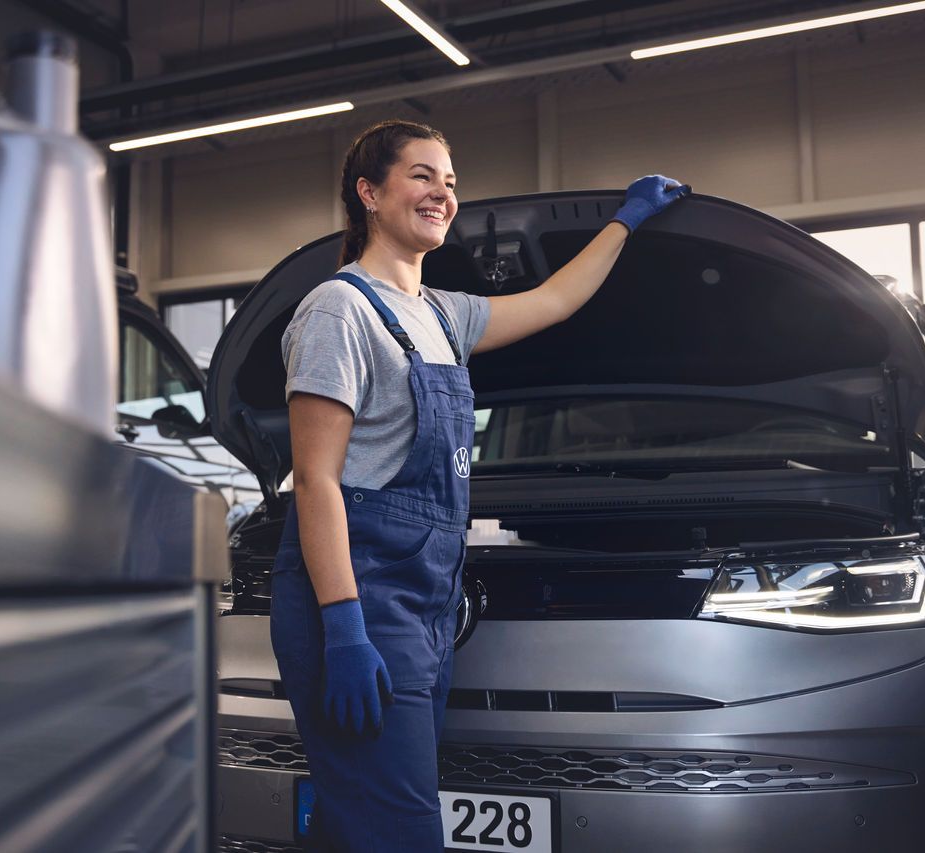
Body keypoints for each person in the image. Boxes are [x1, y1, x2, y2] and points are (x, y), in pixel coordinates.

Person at [271, 118, 687, 850]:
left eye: (451, 180)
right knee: (400, 831)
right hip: (361, 604)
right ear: (369, 192)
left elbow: (556, 299)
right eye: (422, 175)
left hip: (426, 606)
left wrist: (626, 222)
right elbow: (315, 480)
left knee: (356, 825)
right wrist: (344, 627)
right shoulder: (339, 310)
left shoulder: (441, 314)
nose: (443, 192)